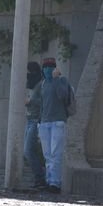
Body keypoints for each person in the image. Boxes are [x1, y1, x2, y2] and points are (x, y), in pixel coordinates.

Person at [37, 57, 70, 194]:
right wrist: (39, 121)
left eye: (51, 66)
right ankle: (49, 180)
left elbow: (63, 96)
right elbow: (42, 104)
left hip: (58, 122)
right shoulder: (43, 84)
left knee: (56, 153)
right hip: (44, 122)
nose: (47, 69)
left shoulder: (62, 81)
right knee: (47, 154)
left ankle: (55, 183)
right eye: (45, 67)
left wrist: (56, 79)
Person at [25, 61, 46, 188]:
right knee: (27, 151)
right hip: (29, 119)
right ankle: (39, 176)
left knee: (28, 151)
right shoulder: (32, 84)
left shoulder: (41, 84)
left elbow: (44, 101)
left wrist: (30, 101)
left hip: (36, 120)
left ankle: (40, 177)